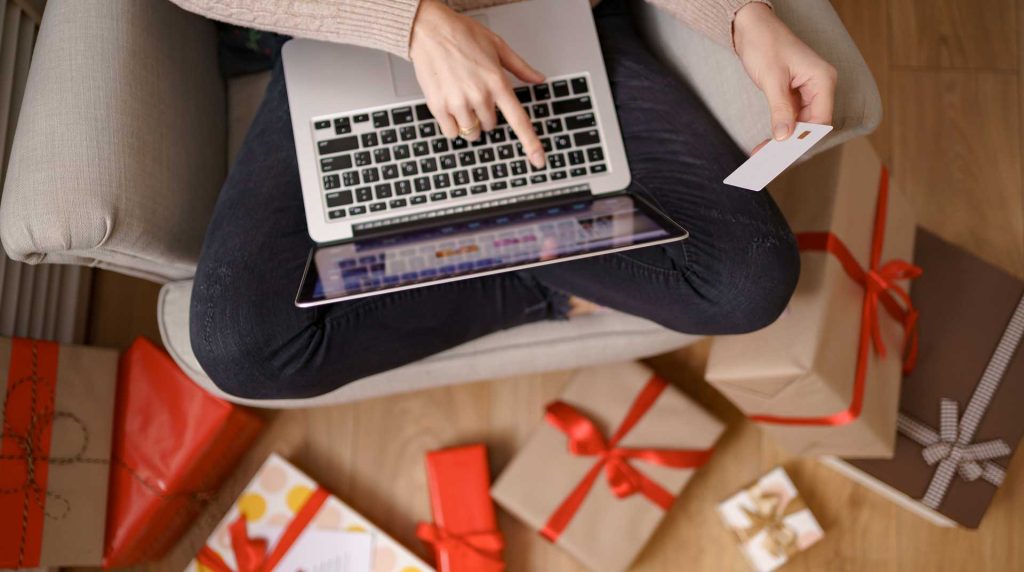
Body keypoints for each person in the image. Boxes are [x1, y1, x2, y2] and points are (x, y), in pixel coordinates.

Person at [174, 0, 837, 399]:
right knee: (241, 347)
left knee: (750, 284)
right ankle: (542, 274)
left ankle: (509, 256)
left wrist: (742, 16)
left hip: (558, 31)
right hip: (351, 37)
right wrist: (409, 23)